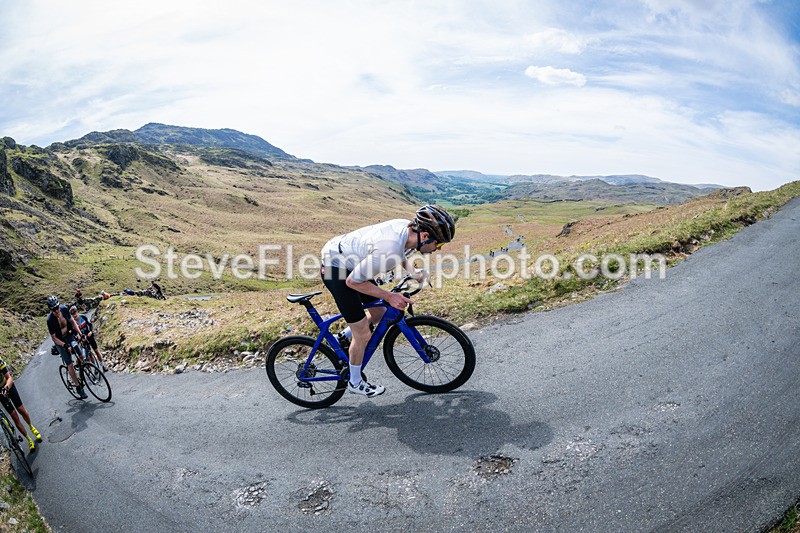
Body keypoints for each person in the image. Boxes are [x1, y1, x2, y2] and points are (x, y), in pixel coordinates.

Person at [320, 205, 456, 397]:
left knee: (379, 313)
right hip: (337, 270)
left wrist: (413, 272)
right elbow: (353, 282)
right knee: (363, 334)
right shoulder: (388, 250)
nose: (437, 250)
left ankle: (342, 337)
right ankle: (355, 382)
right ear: (425, 236)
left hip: (349, 260)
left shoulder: (406, 228)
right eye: (439, 245)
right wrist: (390, 296)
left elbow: (399, 251)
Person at [46, 296, 87, 399]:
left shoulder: (64, 309)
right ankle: (78, 388)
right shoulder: (50, 320)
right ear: (50, 310)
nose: (56, 310)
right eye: (53, 309)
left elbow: (72, 321)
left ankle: (81, 372)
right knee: (69, 364)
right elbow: (54, 338)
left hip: (69, 336)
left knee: (81, 356)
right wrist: (64, 345)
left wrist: (80, 333)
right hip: (60, 342)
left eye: (57, 307)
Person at [0, 357, 42, 451]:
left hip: (7, 385)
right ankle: (29, 439)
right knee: (14, 417)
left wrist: (6, 388)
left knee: (21, 410)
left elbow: (9, 377)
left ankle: (31, 427)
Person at [70, 306, 108, 372]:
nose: (74, 315)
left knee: (96, 350)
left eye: (75, 313)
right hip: (83, 339)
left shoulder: (83, 317)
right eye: (73, 314)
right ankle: (96, 368)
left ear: (77, 311)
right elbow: (74, 332)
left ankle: (103, 365)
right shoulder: (73, 323)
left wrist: (90, 331)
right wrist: (77, 336)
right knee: (89, 354)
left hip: (89, 336)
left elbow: (90, 324)